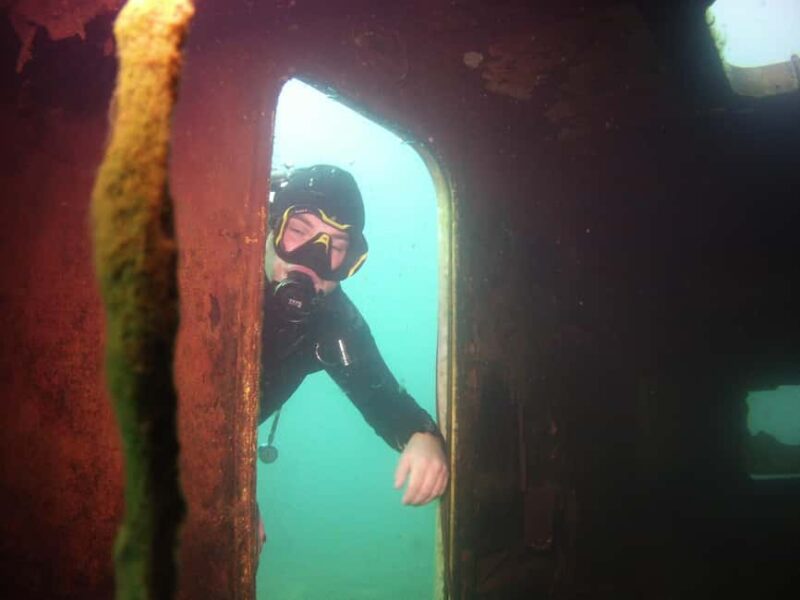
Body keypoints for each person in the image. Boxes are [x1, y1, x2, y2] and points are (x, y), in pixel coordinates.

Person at [257, 164, 448, 550]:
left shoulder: (330, 321)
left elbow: (382, 398)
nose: (312, 260)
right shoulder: (204, 267)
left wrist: (422, 435)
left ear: (350, 264)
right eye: (298, 231)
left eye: (336, 248)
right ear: (270, 225)